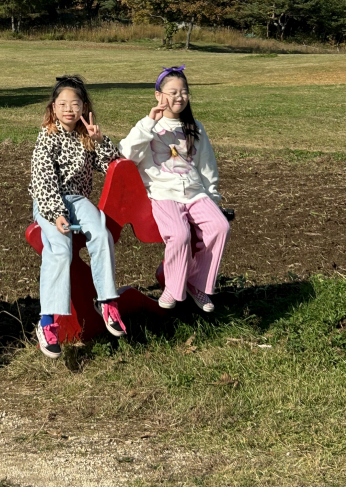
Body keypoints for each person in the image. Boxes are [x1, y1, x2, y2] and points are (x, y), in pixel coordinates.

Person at [120, 66, 229, 313]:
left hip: (195, 193)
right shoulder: (148, 126)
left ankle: (197, 283)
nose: (179, 97)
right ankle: (172, 286)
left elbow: (206, 165)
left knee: (220, 227)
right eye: (173, 92)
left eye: (184, 92)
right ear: (158, 95)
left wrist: (212, 196)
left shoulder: (195, 127)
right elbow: (127, 154)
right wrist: (149, 122)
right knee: (179, 235)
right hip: (163, 194)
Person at [30, 75, 125, 359]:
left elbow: (111, 164)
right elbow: (43, 179)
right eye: (62, 104)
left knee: (101, 233)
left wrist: (100, 140)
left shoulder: (86, 137)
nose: (69, 109)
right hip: (50, 201)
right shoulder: (47, 137)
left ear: (84, 107)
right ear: (53, 108)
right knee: (60, 249)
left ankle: (107, 302)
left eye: (75, 104)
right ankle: (48, 321)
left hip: (79, 200)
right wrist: (56, 214)